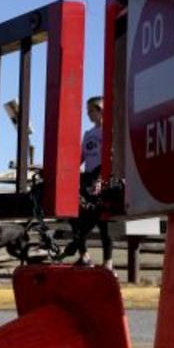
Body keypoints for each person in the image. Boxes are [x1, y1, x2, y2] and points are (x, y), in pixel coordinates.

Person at [62, 95, 114, 271]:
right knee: (75, 215)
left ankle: (108, 261)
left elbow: (111, 158)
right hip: (88, 178)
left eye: (91, 110)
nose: (88, 114)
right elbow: (81, 157)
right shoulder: (88, 134)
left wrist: (101, 178)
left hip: (104, 178)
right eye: (87, 110)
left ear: (100, 110)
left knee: (103, 222)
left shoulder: (109, 132)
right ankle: (84, 255)